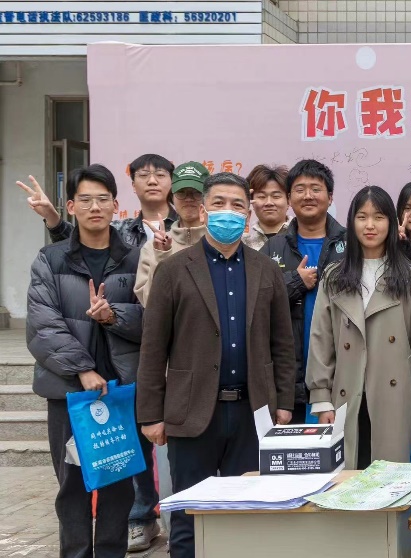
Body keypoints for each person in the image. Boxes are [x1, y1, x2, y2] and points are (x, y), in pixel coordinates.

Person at [136, 172, 296, 558]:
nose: (228, 212)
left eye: (237, 205)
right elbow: (153, 348)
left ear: (248, 214)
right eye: (219, 203)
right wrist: (151, 415)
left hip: (251, 411)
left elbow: (282, 343)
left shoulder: (266, 269)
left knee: (248, 514)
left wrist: (284, 403)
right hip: (192, 413)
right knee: (190, 517)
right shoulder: (174, 269)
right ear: (204, 210)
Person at [27, 164, 143, 558]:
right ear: (71, 207)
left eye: (103, 199)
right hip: (69, 393)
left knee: (119, 485)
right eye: (86, 200)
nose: (96, 207)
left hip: (121, 391)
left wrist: (114, 316)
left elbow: (156, 319)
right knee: (72, 486)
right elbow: (43, 325)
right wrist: (82, 369)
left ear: (116, 205)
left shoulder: (136, 259)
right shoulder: (51, 259)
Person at [306, 186, 411, 467]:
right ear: (351, 222)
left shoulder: (407, 276)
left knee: (389, 478)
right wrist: (321, 397)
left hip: (394, 396)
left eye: (378, 217)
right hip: (346, 393)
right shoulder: (335, 276)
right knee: (347, 476)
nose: (370, 225)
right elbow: (321, 338)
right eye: (362, 217)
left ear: (391, 222)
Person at [262, 159, 347, 423]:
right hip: (290, 383)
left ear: (330, 197)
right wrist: (294, 282)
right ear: (289, 198)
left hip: (342, 376)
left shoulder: (351, 246)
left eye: (316, 189)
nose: (308, 196)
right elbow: (256, 303)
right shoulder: (273, 248)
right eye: (300, 189)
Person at [33, 154, 179, 247]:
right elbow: (78, 241)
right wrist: (52, 217)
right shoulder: (120, 230)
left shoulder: (185, 225)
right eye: (144, 175)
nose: (152, 181)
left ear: (172, 182)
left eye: (160, 175)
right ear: (133, 185)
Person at [133, 162, 211, 306]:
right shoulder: (152, 248)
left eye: (196, 192)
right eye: (181, 192)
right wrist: (161, 256)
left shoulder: (220, 242)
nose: (189, 198)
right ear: (172, 197)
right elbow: (149, 303)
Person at [243, 164, 291, 250]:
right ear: (251, 201)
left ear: (289, 200)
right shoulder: (243, 244)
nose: (269, 203)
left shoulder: (302, 238)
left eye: (276, 196)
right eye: (262, 196)